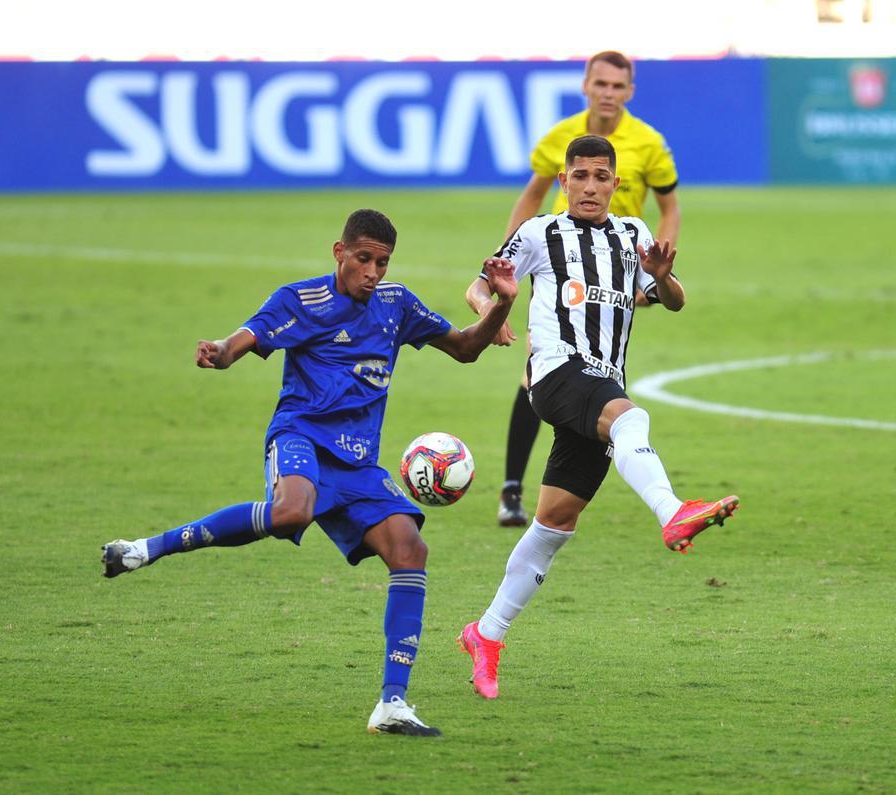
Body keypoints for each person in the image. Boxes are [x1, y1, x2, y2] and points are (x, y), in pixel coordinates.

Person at [101, 209, 517, 736]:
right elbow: (243, 340)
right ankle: (146, 548)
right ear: (339, 252)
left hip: (358, 462)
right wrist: (222, 352)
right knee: (291, 509)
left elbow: (465, 349)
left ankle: (393, 704)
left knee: (410, 550)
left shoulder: (396, 305)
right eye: (363, 258)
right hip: (300, 437)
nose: (372, 271)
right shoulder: (301, 300)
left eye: (382, 262)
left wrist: (502, 303)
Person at [458, 136, 737, 700]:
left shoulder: (633, 235)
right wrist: (492, 309)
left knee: (554, 525)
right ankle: (672, 511)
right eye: (579, 175)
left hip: (602, 379)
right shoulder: (539, 232)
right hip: (556, 374)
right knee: (631, 420)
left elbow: (675, 301)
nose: (590, 186)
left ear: (615, 183)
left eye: (600, 177)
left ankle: (485, 634)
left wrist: (662, 277)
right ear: (565, 181)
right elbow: (480, 284)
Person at [466, 50, 681, 528]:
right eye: (599, 83)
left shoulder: (648, 143)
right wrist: (513, 255)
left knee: (600, 375)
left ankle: (546, 506)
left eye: (616, 86)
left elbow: (669, 207)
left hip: (625, 269)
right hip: (564, 270)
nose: (607, 93)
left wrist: (658, 271)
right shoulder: (559, 141)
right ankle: (511, 489)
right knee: (542, 376)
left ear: (629, 91)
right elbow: (533, 194)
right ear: (586, 85)